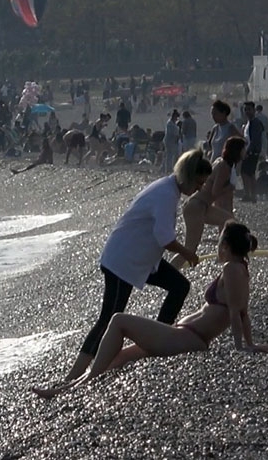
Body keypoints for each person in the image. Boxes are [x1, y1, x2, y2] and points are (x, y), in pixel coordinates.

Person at [33, 221, 268, 399]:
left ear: (226, 246)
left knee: (118, 320)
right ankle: (69, 388)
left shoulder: (232, 268)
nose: (217, 247)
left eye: (219, 242)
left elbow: (238, 312)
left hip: (188, 338)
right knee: (119, 356)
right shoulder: (239, 269)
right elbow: (241, 311)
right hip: (183, 334)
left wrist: (243, 346)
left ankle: (72, 386)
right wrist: (248, 343)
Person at [61, 149, 212, 381]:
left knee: (179, 286)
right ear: (188, 177)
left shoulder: (168, 188)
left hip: (142, 260)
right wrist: (188, 253)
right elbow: (165, 238)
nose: (199, 189)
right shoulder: (165, 194)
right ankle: (74, 375)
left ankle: (160, 339)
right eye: (198, 183)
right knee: (109, 317)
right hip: (123, 261)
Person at [170, 139, 245, 269]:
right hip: (196, 206)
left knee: (230, 221)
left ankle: (223, 257)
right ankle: (168, 272)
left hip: (202, 205)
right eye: (243, 149)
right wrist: (231, 187)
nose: (245, 152)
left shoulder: (222, 163)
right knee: (190, 249)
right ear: (237, 151)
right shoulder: (225, 167)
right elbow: (215, 191)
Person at [241, 101, 265, 203]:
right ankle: (251, 195)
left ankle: (249, 195)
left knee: (246, 173)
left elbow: (255, 140)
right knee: (249, 173)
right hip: (250, 151)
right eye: (245, 109)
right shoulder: (248, 123)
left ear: (254, 110)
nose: (247, 112)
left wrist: (248, 151)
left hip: (252, 152)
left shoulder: (255, 123)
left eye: (249, 109)